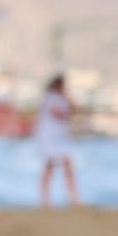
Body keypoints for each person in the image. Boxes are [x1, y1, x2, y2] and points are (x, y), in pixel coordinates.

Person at [35, 73, 79, 207]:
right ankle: (71, 198)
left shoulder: (59, 98)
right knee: (61, 165)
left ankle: (47, 198)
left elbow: (73, 109)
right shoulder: (51, 98)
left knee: (51, 167)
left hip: (57, 138)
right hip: (50, 138)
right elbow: (59, 114)